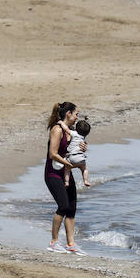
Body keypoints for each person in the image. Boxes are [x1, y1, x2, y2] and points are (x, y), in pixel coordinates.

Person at [44, 101, 82, 254]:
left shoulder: (71, 130)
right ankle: (53, 243)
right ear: (68, 114)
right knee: (63, 206)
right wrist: (67, 163)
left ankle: (71, 244)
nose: (77, 117)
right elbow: (52, 154)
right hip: (52, 173)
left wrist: (83, 147)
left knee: (72, 207)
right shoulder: (57, 130)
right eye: (76, 114)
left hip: (65, 172)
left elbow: (74, 149)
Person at [66, 119, 92, 188]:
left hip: (71, 158)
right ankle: (86, 180)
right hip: (81, 158)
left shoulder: (73, 134)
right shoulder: (83, 137)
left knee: (67, 169)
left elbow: (67, 130)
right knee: (84, 169)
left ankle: (66, 182)